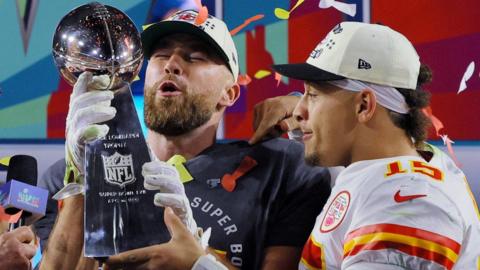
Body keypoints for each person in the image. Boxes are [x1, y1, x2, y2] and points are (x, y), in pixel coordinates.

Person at [38, 10, 331, 270]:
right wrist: (88, 180)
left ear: (229, 94)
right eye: (161, 55)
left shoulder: (281, 168)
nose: (172, 64)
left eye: (196, 57)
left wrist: (197, 258)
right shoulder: (65, 177)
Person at [265, 21, 479, 269]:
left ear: (364, 105)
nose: (299, 111)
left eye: (313, 95)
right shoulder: (404, 161)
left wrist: (210, 262)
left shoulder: (406, 203)